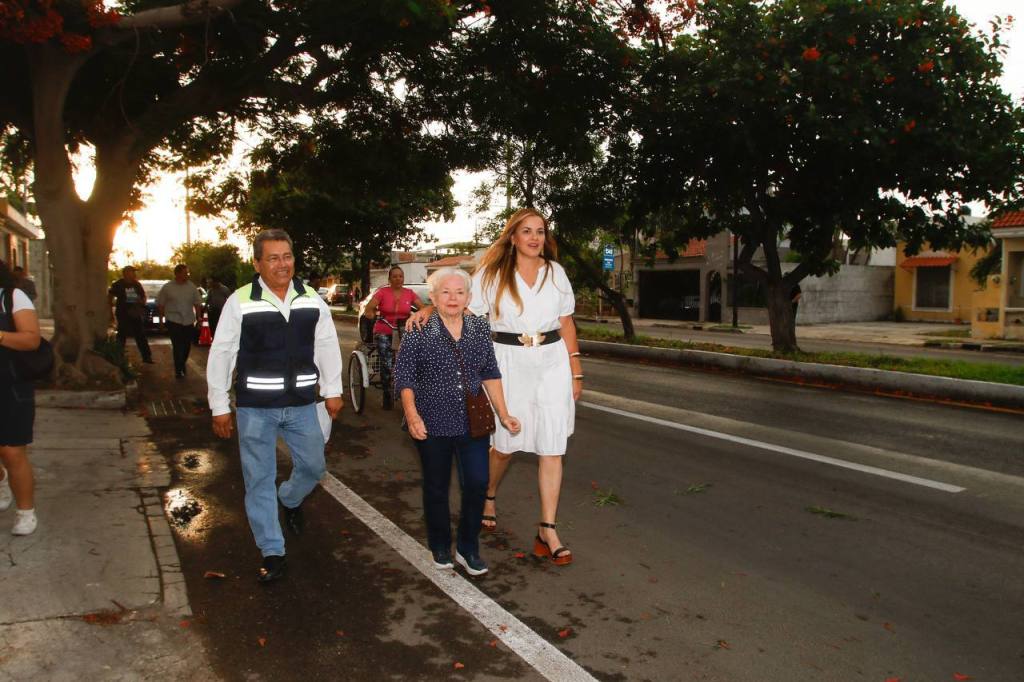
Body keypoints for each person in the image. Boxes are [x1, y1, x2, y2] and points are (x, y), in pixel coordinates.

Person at [409, 208, 582, 566]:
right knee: (505, 445)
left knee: (552, 446)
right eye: (526, 231)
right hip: (508, 361)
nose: (534, 238)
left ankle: (547, 528)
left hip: (552, 362)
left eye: (540, 231)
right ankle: (488, 492)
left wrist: (575, 369)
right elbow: (459, 305)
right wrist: (428, 310)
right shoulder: (492, 273)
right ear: (513, 236)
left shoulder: (556, 273)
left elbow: (565, 321)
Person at [207, 229, 344, 583]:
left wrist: (332, 389)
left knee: (314, 467)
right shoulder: (241, 301)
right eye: (273, 258)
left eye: (287, 256)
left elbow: (326, 344)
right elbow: (222, 352)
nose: (283, 264)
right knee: (259, 480)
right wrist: (219, 404)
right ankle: (273, 550)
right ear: (257, 263)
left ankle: (291, 498)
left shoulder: (311, 298)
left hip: (301, 404)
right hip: (255, 409)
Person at [394, 267, 520, 576]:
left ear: (469, 298)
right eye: (445, 292)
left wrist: (504, 413)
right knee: (437, 486)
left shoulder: (478, 327)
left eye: (459, 292)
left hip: (472, 421)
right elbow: (405, 376)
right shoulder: (419, 328)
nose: (453, 298)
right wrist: (412, 414)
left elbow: (490, 372)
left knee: (477, 483)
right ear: (433, 297)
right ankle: (440, 544)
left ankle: (468, 547)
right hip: (431, 422)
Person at [0, 260, 42, 536]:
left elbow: (31, 340)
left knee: (11, 450)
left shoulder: (12, 297)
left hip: (11, 385)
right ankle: (2, 481)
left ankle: (26, 513)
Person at [362, 265, 425, 409]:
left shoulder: (409, 293)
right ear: (389, 279)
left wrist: (419, 315)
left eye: (400, 276)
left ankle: (408, 390)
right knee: (387, 363)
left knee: (410, 361)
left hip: (403, 330)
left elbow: (422, 308)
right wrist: (371, 315)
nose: (398, 279)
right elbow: (369, 309)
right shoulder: (382, 292)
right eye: (395, 276)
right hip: (384, 329)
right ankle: (387, 392)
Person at [158, 264, 203, 378]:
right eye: (184, 273)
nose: (187, 275)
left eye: (187, 273)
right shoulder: (168, 287)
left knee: (187, 345)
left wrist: (199, 318)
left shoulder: (191, 287)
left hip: (188, 320)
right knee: (177, 346)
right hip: (173, 320)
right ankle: (179, 370)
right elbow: (161, 304)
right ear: (177, 274)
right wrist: (161, 321)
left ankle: (181, 363)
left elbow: (197, 303)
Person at [108, 265, 154, 364]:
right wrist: (109, 311)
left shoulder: (136, 284)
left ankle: (147, 357)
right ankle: (118, 357)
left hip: (135, 313)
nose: (134, 274)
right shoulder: (118, 284)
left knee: (140, 335)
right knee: (121, 335)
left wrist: (141, 302)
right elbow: (110, 297)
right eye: (132, 272)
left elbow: (143, 296)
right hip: (123, 313)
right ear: (126, 273)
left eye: (134, 272)